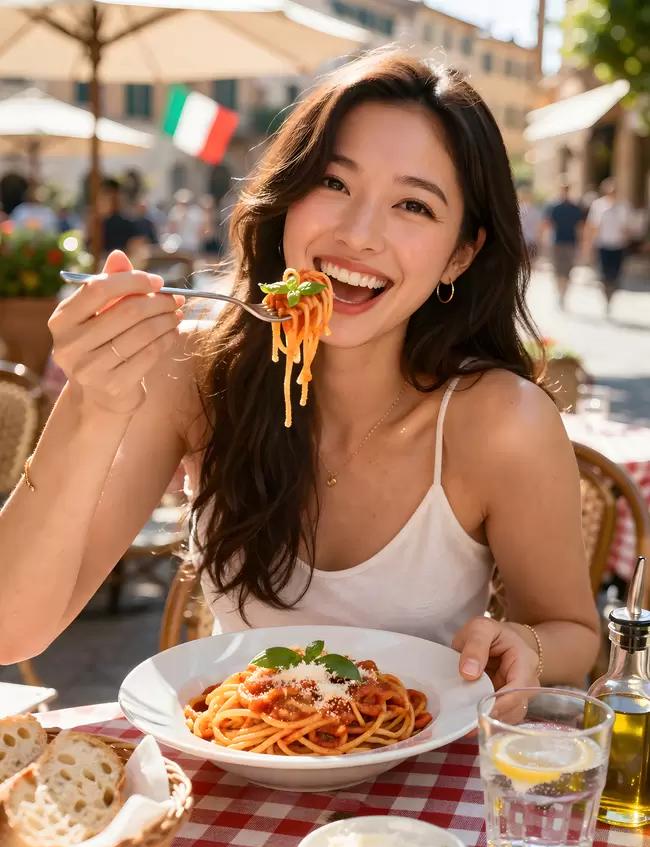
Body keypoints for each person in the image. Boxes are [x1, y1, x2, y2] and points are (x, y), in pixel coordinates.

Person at [0, 51, 599, 718]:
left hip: (428, 778)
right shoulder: (195, 373)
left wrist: (526, 646)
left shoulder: (501, 422)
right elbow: (11, 629)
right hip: (236, 757)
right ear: (286, 197)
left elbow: (573, 631)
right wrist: (91, 404)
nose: (359, 234)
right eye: (333, 183)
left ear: (460, 253)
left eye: (412, 205)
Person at [584, 178, 631, 316]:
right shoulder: (598, 205)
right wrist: (588, 246)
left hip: (618, 245)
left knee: (615, 274)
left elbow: (627, 227)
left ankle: (611, 297)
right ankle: (606, 298)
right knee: (604, 274)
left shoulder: (623, 206)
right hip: (603, 244)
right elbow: (592, 226)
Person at [542, 181, 584, 308]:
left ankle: (563, 294)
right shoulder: (553, 207)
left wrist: (582, 245)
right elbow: (547, 224)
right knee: (557, 269)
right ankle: (560, 293)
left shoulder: (575, 208)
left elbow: (580, 227)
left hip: (571, 243)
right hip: (557, 242)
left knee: (567, 270)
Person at [166, 188, 204, 252]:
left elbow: (200, 228)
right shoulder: (174, 211)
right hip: (178, 244)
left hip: (193, 244)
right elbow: (171, 229)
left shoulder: (196, 212)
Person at [518, 187, 542, 261]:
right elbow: (540, 227)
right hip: (531, 240)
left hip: (523, 241)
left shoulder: (518, 210)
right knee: (531, 262)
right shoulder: (536, 211)